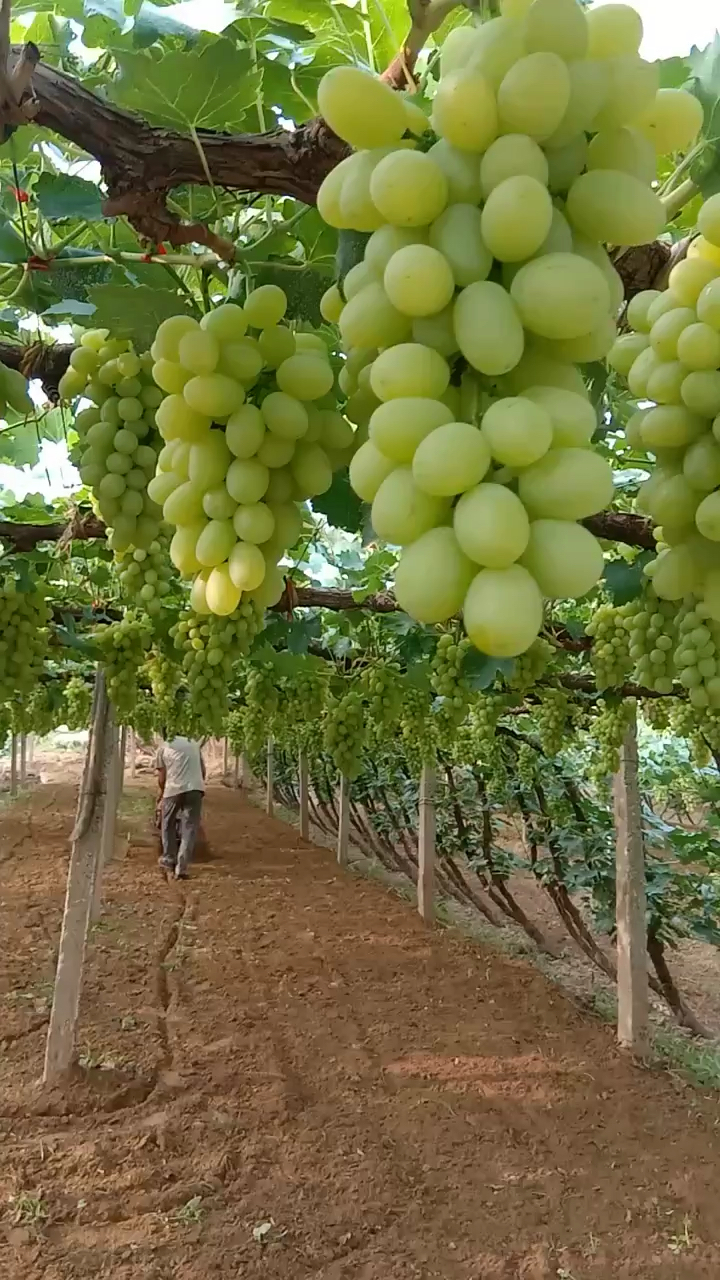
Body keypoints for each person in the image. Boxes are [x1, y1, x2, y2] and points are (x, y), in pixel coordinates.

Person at [155, 734, 206, 879]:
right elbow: (203, 771)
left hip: (173, 789)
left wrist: (161, 795)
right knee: (190, 827)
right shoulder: (194, 744)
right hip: (195, 788)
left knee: (167, 822)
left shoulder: (164, 746)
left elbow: (162, 777)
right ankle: (182, 867)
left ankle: (168, 858)